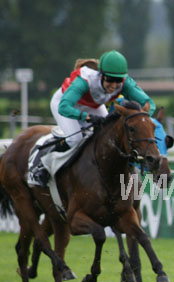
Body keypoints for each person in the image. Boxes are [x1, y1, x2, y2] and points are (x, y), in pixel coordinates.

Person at [32, 50, 156, 187]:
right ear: (101, 75)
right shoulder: (84, 81)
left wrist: (142, 117)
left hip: (92, 104)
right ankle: (42, 165)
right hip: (64, 103)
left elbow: (149, 103)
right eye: (110, 79)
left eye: (118, 80)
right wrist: (86, 117)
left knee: (108, 134)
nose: (114, 85)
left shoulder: (125, 83)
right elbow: (64, 107)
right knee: (75, 139)